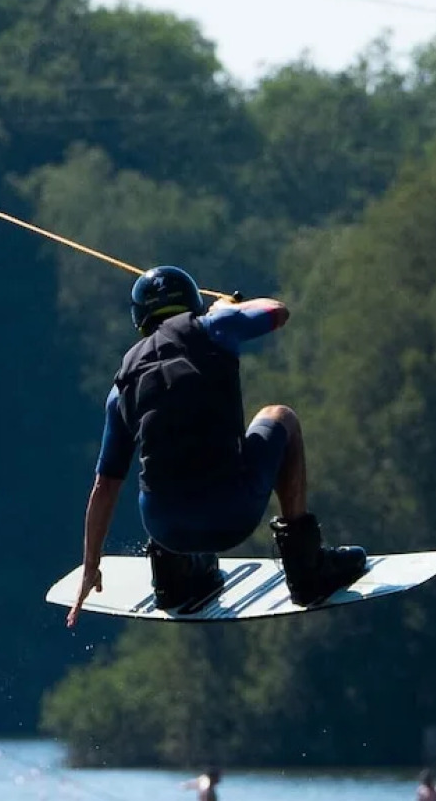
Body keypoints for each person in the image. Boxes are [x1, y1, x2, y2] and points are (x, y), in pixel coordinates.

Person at [66, 265, 366, 626]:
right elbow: (277, 311)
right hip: (232, 515)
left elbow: (105, 486)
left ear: (140, 320)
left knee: (159, 448)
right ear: (192, 303)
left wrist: (92, 565)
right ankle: (307, 569)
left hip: (168, 531)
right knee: (281, 416)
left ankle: (173, 579)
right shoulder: (215, 327)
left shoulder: (122, 388)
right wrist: (228, 308)